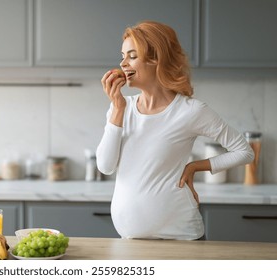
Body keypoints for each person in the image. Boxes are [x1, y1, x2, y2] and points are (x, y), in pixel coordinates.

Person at [96, 20, 254, 240]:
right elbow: (105, 166)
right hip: (131, 241)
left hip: (182, 237)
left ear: (156, 58)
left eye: (132, 56)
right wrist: (118, 109)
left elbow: (245, 152)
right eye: (122, 56)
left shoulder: (190, 111)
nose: (123, 64)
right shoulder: (120, 108)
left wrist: (196, 166)